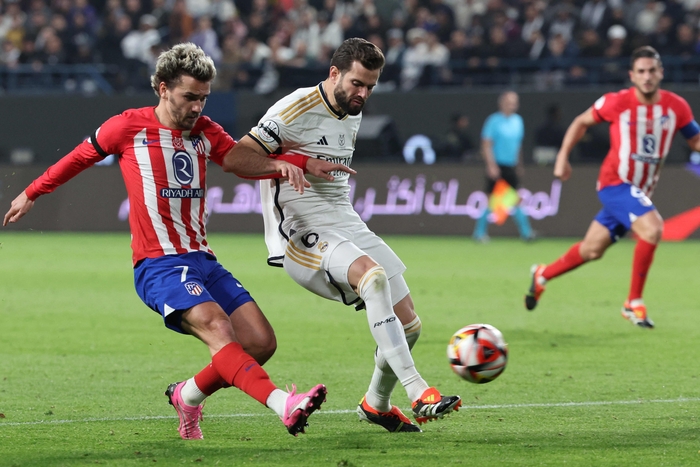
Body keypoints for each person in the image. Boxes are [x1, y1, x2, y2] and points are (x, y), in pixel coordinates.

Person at [2, 43, 355, 440]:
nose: (197, 107)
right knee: (218, 326)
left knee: (260, 342)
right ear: (163, 88)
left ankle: (186, 396)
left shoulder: (205, 131)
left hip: (203, 259)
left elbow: (236, 160)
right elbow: (78, 158)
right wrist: (31, 193)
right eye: (189, 97)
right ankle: (283, 404)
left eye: (203, 98)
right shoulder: (127, 127)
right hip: (159, 265)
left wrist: (295, 163)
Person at [223, 38, 462, 434]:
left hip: (345, 222)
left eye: (370, 86)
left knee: (409, 325)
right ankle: (418, 390)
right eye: (356, 83)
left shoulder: (351, 109)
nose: (363, 94)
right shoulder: (294, 109)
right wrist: (298, 163)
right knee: (373, 278)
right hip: (302, 232)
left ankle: (376, 404)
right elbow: (234, 158)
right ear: (334, 73)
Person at [524, 46, 700, 329]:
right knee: (653, 228)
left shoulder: (676, 106)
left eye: (652, 71)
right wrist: (562, 157)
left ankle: (542, 275)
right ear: (632, 75)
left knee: (592, 250)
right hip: (615, 183)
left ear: (661, 72)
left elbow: (695, 140)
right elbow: (581, 121)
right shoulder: (616, 102)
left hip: (640, 191)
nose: (647, 77)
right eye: (641, 71)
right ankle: (633, 302)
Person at [473, 91, 534, 243]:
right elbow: (486, 145)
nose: (512, 105)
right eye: (509, 102)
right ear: (501, 103)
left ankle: (526, 233)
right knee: (491, 200)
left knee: (516, 199)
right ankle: (479, 233)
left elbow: (518, 145)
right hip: (497, 165)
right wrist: (491, 165)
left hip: (510, 166)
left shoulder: (518, 121)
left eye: (514, 102)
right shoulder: (493, 121)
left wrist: (519, 164)